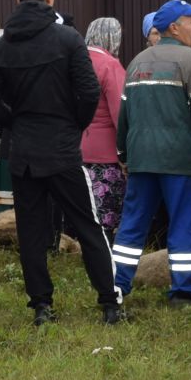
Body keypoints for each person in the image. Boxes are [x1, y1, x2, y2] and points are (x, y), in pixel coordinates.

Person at [0, 0, 121, 325]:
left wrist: (13, 121)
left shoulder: (1, 45)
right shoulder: (68, 39)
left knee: (31, 231)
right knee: (89, 225)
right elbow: (88, 91)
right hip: (62, 148)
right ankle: (109, 303)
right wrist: (74, 124)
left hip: (24, 152)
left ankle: (42, 305)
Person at [113, 0, 191, 304]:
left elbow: (125, 115)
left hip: (142, 159)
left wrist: (123, 155)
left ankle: (117, 286)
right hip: (180, 159)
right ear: (174, 26)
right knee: (183, 224)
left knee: (132, 226)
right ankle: (184, 292)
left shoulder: (137, 62)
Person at [80, 16, 128, 241]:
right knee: (104, 214)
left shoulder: (75, 59)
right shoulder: (110, 65)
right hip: (106, 152)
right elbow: (121, 113)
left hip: (75, 147)